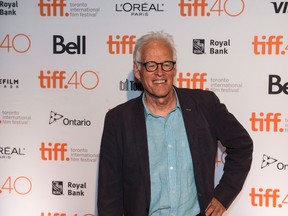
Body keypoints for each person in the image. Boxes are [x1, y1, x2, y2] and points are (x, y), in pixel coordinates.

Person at [97, 31, 253, 216]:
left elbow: (242, 145)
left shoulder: (205, 104)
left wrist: (224, 195)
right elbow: (109, 196)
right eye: (151, 65)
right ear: (138, 71)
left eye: (166, 64)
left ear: (174, 68)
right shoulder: (118, 120)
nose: (160, 72)